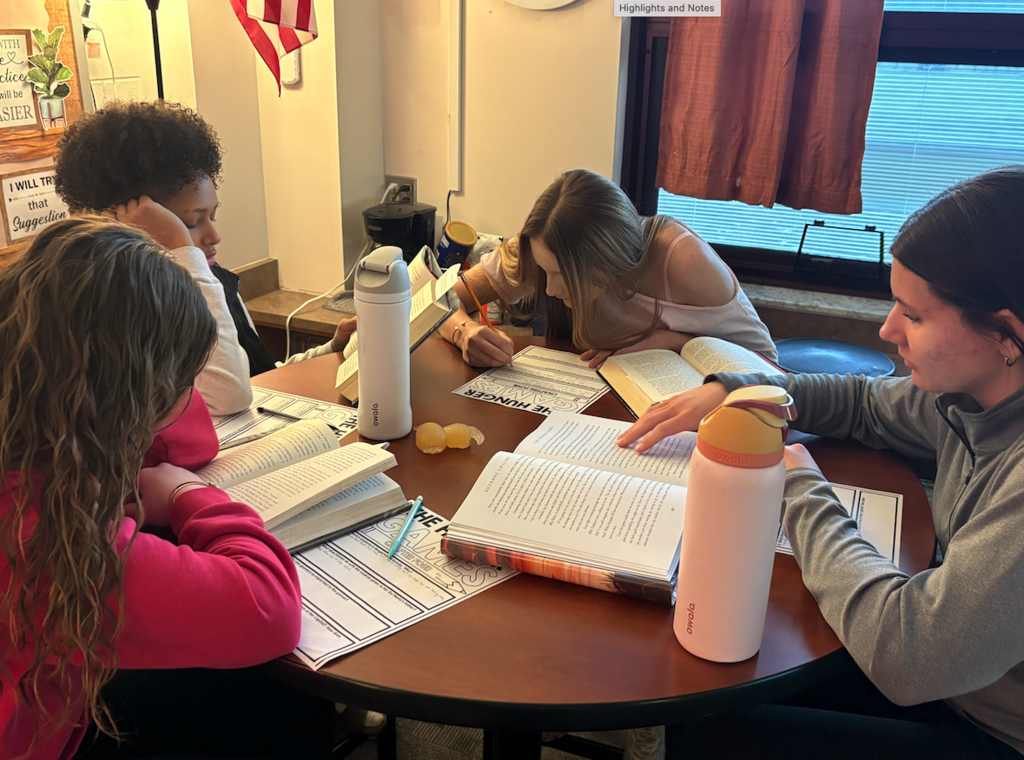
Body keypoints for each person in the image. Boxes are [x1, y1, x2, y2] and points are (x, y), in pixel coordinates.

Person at [617, 166, 1024, 759]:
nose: (889, 330)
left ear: (1006, 336)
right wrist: (740, 388)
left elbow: (908, 656)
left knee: (718, 736)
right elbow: (862, 402)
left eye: (913, 316)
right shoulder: (973, 396)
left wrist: (800, 486)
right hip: (958, 678)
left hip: (991, 727)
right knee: (709, 683)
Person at [0, 218, 330, 759]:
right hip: (35, 738)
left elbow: (189, 440)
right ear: (127, 402)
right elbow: (268, 608)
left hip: (36, 690)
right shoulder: (53, 538)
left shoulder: (35, 437)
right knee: (270, 697)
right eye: (180, 384)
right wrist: (186, 495)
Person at [52, 100, 356, 416]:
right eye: (190, 224)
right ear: (123, 222)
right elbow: (231, 395)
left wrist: (331, 350)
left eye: (212, 216)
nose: (214, 237)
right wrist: (185, 255)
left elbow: (251, 375)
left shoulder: (214, 281)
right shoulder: (118, 310)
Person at [440, 169, 776, 368]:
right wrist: (463, 331)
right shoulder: (542, 244)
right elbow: (437, 303)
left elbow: (767, 366)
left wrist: (675, 341)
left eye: (564, 277)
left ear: (608, 259)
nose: (550, 290)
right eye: (547, 272)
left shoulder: (683, 259)